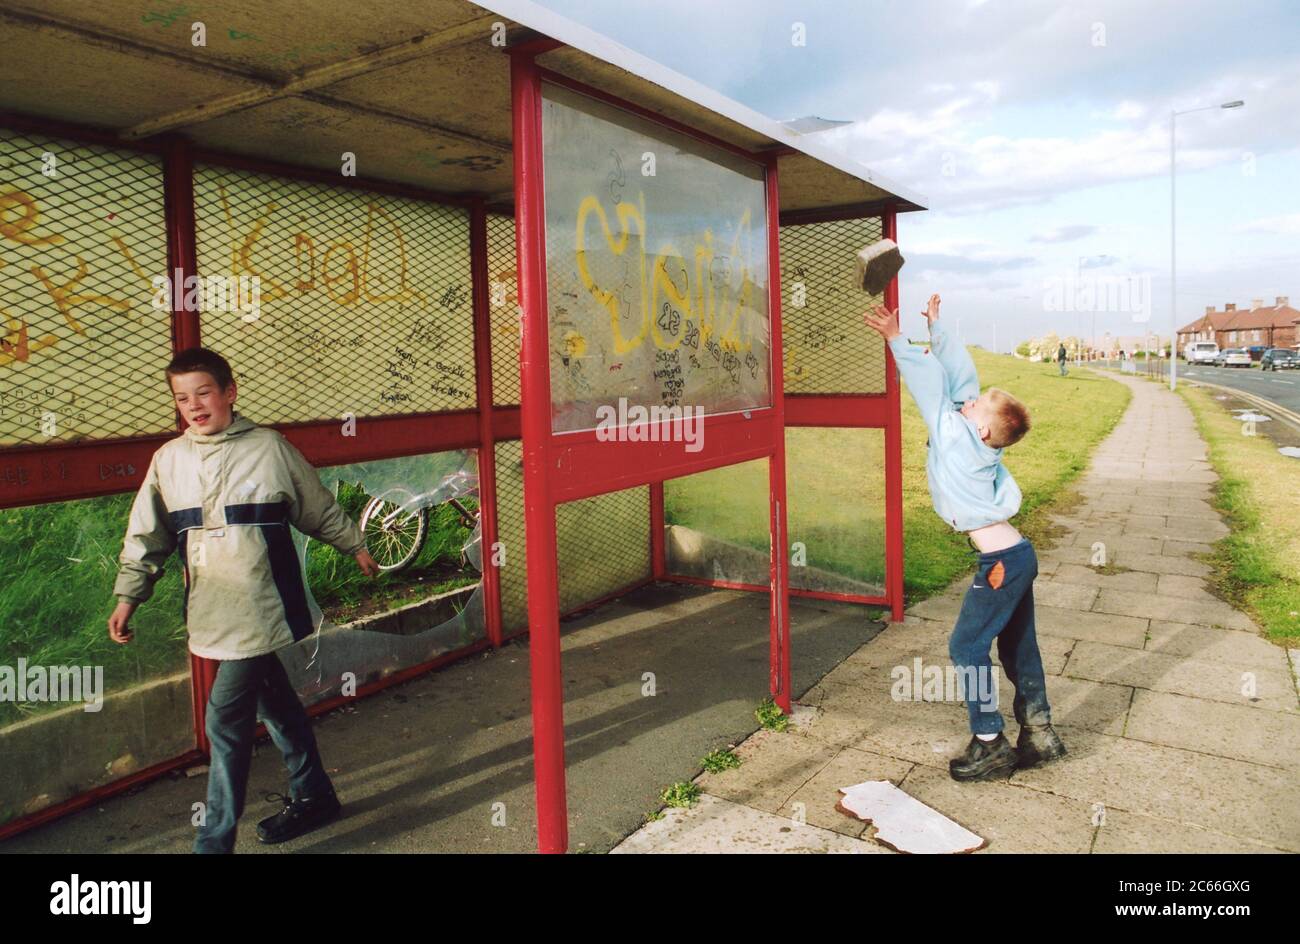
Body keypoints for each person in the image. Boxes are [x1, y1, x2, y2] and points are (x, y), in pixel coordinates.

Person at [108, 347, 381, 852]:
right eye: (181, 397)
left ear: (230, 392)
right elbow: (147, 535)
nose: (193, 405)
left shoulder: (269, 448)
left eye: (204, 393)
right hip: (211, 607)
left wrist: (355, 543)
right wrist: (129, 596)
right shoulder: (168, 460)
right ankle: (314, 793)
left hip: (263, 603)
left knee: (225, 721)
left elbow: (315, 505)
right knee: (275, 704)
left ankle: (213, 844)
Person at [864, 295, 1066, 781]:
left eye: (975, 406)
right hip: (1016, 554)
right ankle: (1039, 732)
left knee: (966, 647)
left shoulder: (956, 435)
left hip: (999, 562)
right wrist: (939, 332)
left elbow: (932, 389)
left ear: (977, 427)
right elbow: (961, 382)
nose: (969, 400)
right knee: (1019, 644)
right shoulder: (976, 439)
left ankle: (989, 741)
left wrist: (898, 341)